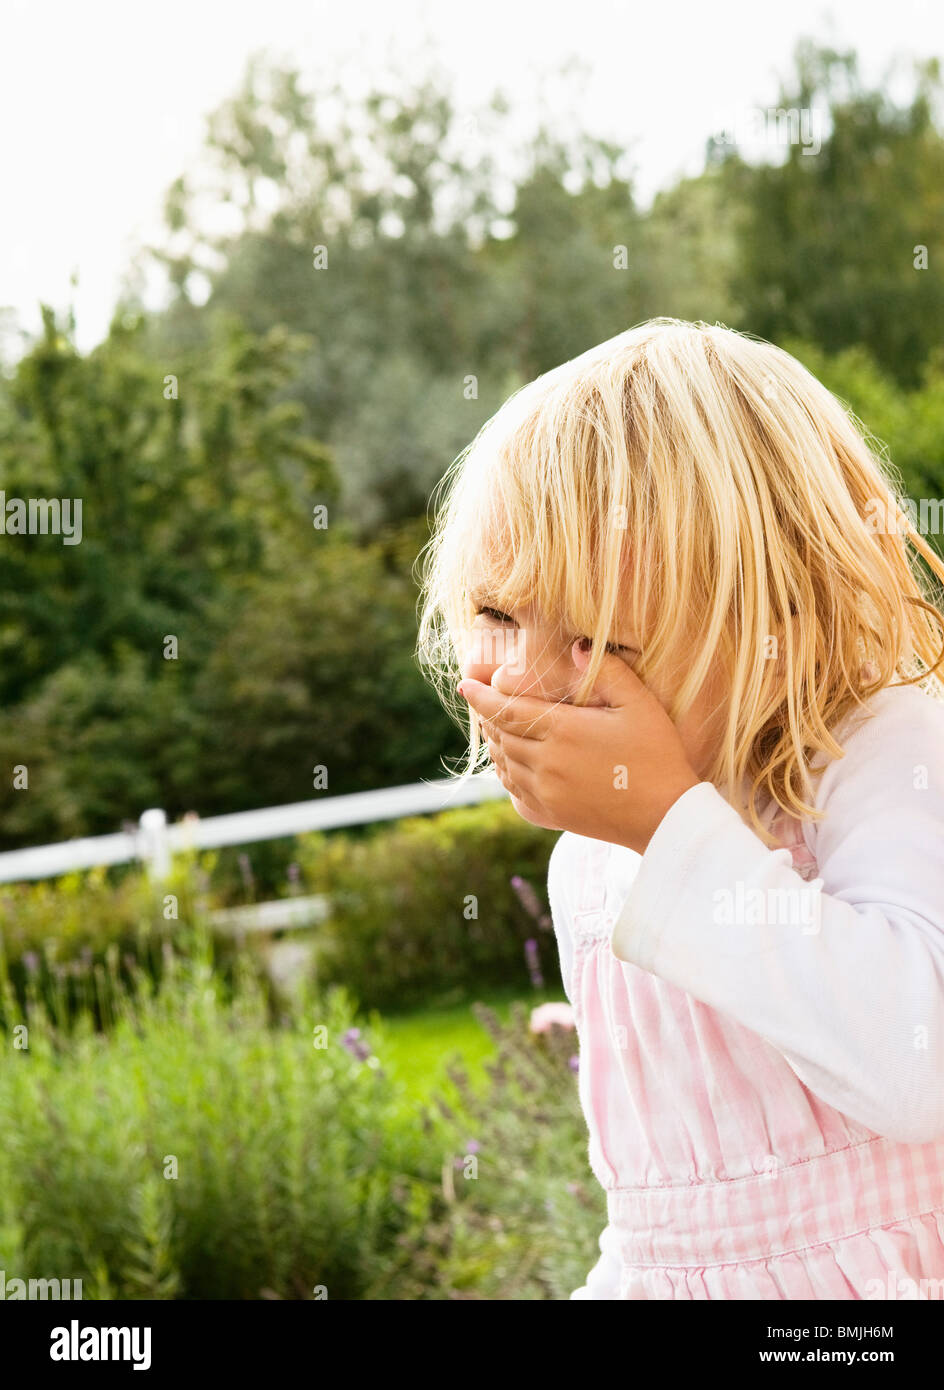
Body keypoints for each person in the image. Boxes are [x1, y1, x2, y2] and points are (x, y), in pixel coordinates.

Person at [416, 318, 944, 1299]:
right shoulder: (588, 861)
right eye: (495, 616)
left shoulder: (875, 751)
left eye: (590, 639)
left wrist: (666, 825)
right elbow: (665, 1230)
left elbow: (916, 1069)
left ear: (772, 618)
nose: (525, 676)